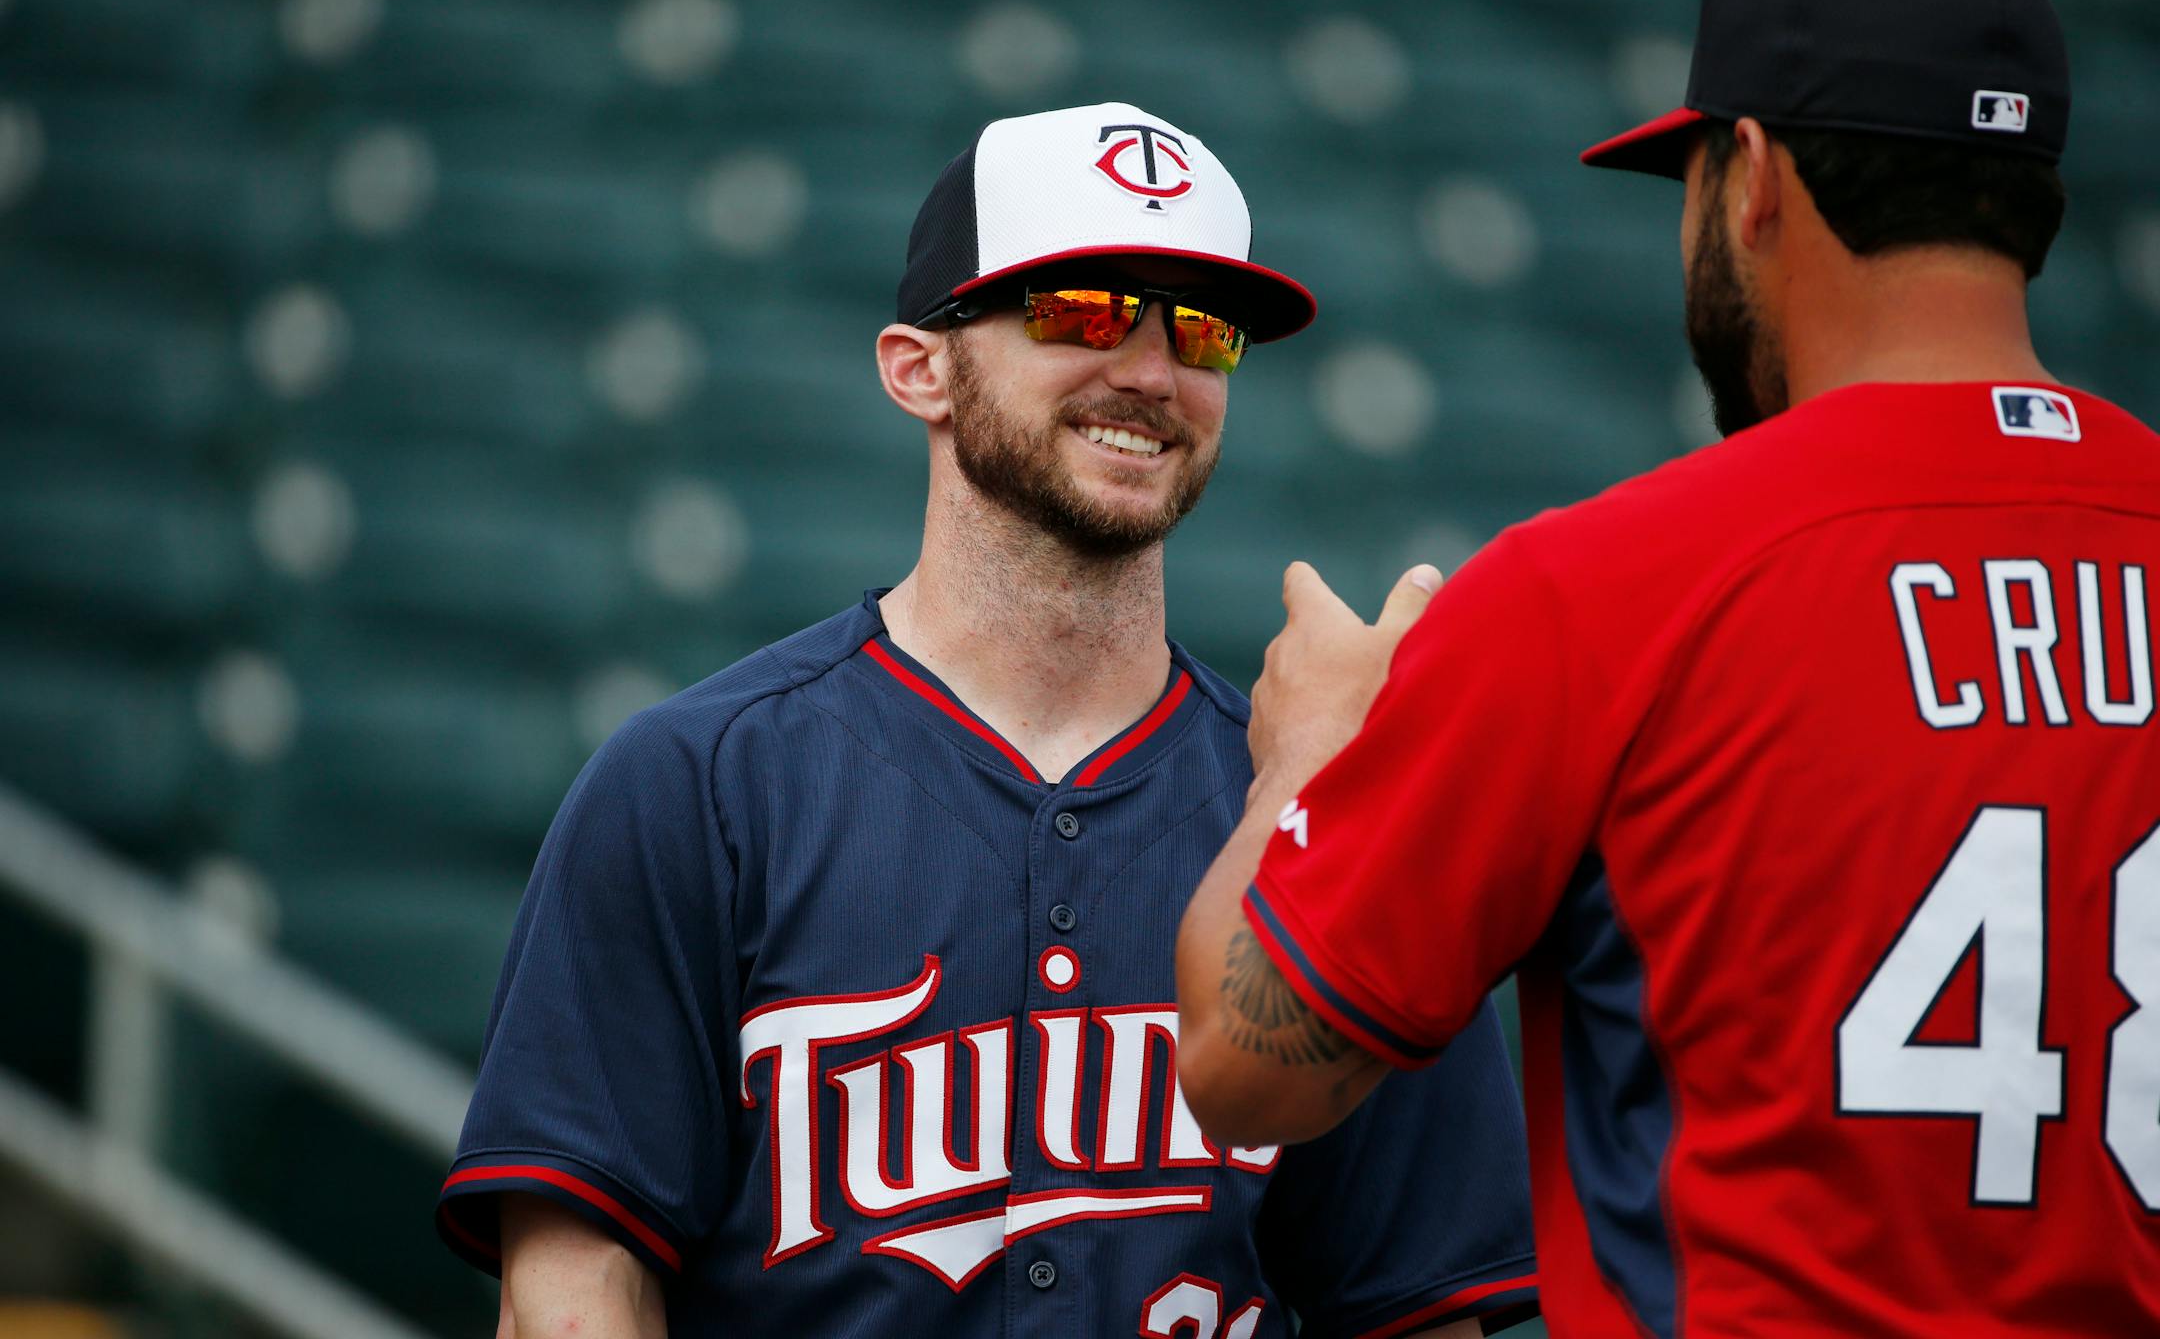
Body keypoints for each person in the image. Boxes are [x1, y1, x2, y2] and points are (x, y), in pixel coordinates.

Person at [1174, 0, 2160, 1336]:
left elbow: (1243, 1060)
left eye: (1693, 176)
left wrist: (1309, 758)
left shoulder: (1611, 587)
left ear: (1750, 176)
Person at [435, 101, 1539, 1338]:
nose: (1150, 371)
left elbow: (1416, 1309)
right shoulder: (695, 782)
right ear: (921, 368)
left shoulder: (1310, 809)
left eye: (1201, 330)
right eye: (1081, 308)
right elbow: (572, 1282)